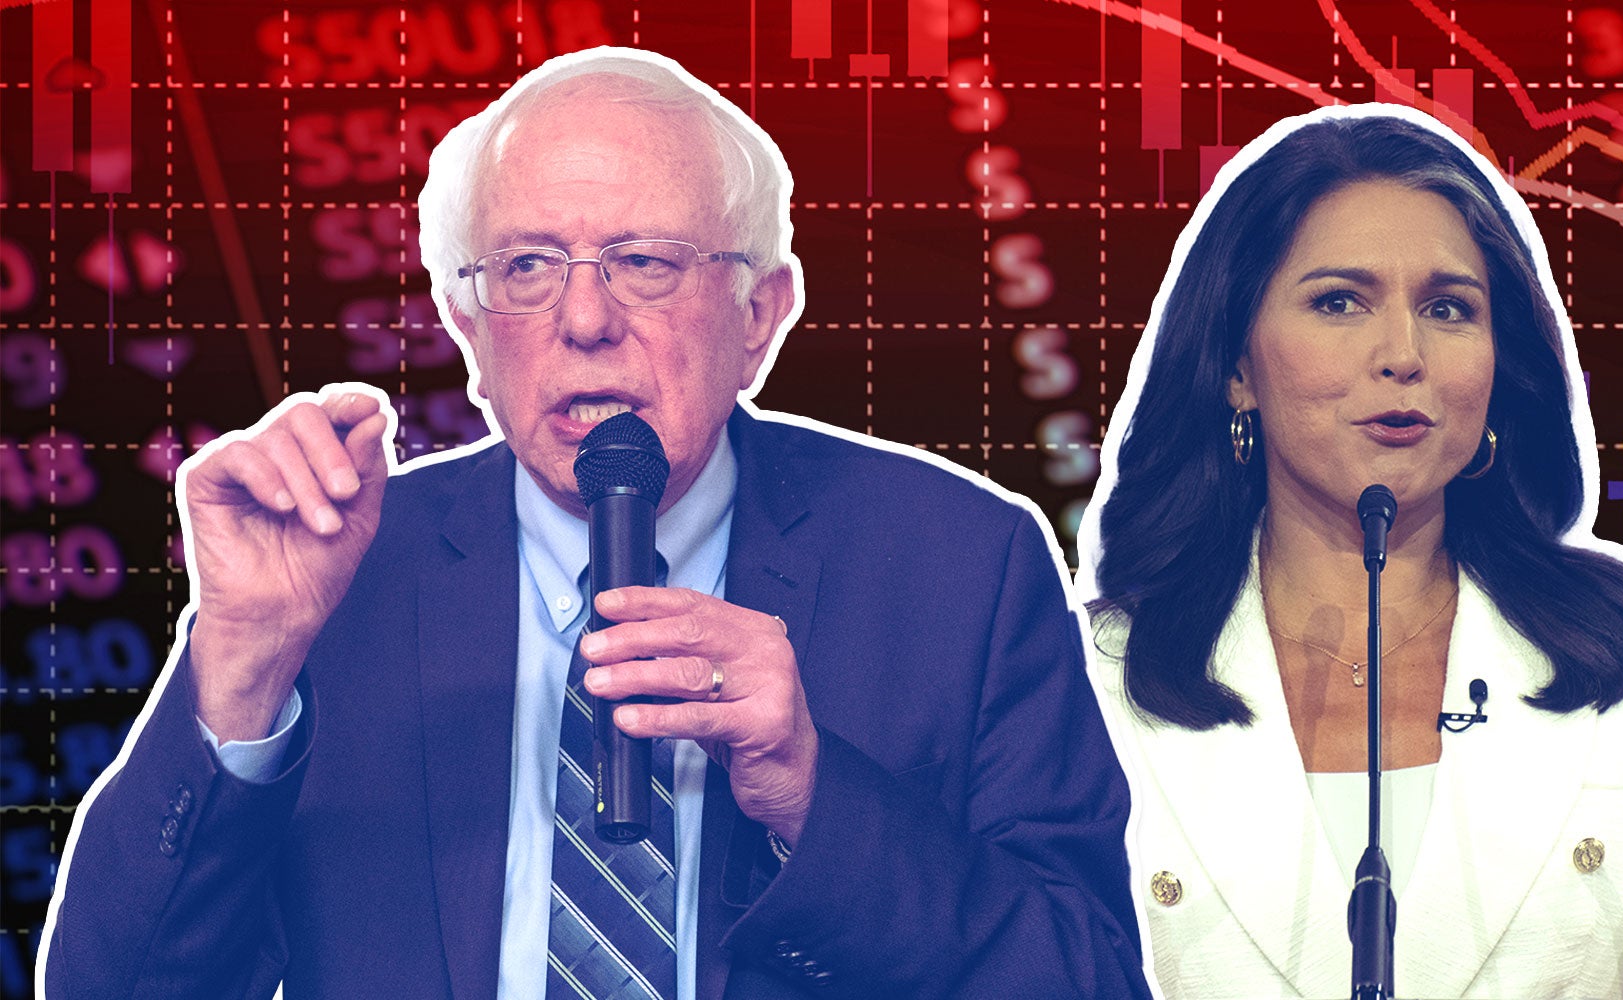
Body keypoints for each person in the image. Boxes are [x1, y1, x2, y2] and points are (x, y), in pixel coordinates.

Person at [42, 47, 1145, 1000]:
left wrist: (814, 791)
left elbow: (1084, 972)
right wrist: (240, 667)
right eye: (525, 267)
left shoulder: (959, 562)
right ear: (468, 322)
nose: (581, 319)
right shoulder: (338, 568)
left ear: (759, 314)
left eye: (644, 263)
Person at [1078, 104, 1623, 1000]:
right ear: (1236, 366)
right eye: (1339, 301)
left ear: (1499, 368)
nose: (1403, 354)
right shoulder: (1091, 678)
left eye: (1449, 308)